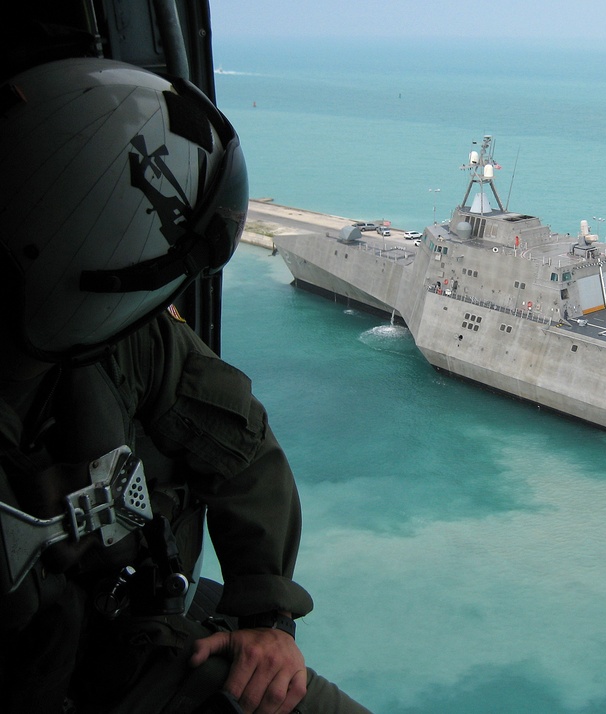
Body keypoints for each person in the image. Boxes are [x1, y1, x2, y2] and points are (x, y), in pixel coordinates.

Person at [0, 58, 371, 714]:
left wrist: (267, 616)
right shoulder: (118, 338)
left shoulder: (126, 344)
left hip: (123, 646)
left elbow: (239, 440)